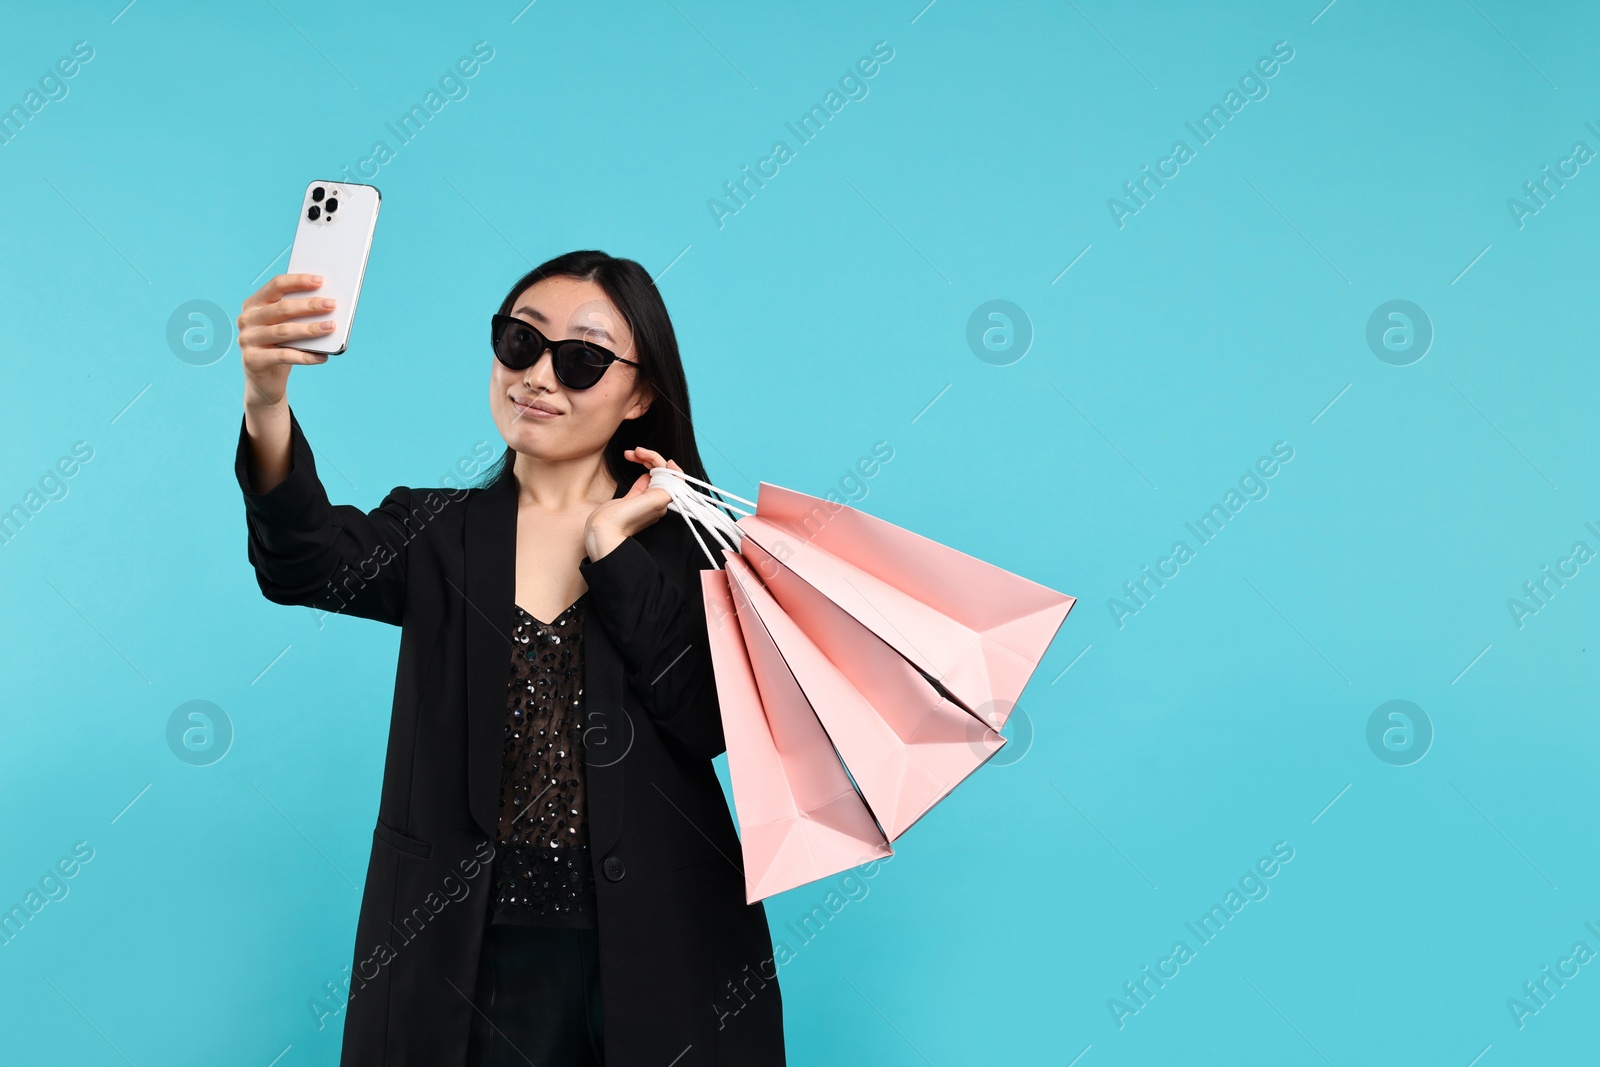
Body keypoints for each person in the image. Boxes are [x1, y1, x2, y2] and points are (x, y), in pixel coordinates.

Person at [234, 250, 785, 1065]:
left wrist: (611, 547)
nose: (539, 376)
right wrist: (266, 397)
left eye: (583, 358)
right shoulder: (437, 532)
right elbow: (303, 560)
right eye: (520, 342)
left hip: (654, 946)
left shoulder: (689, 547)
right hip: (460, 947)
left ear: (640, 394)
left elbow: (703, 718)